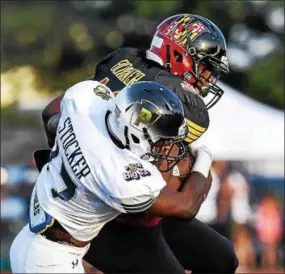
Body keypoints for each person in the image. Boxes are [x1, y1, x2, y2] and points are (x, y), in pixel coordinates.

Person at [41, 14, 238, 273]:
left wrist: (70, 152)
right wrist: (200, 164)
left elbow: (51, 113)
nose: (207, 78)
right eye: (204, 67)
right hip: (111, 212)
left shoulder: (123, 59)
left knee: (221, 257)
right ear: (178, 55)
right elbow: (178, 198)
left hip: (128, 205)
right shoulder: (179, 99)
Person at [9, 80, 213, 273]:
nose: (164, 148)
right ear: (134, 134)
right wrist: (204, 160)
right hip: (51, 259)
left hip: (35, 241)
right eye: (160, 142)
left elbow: (53, 119)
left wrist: (67, 151)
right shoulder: (117, 172)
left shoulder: (86, 98)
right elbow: (185, 207)